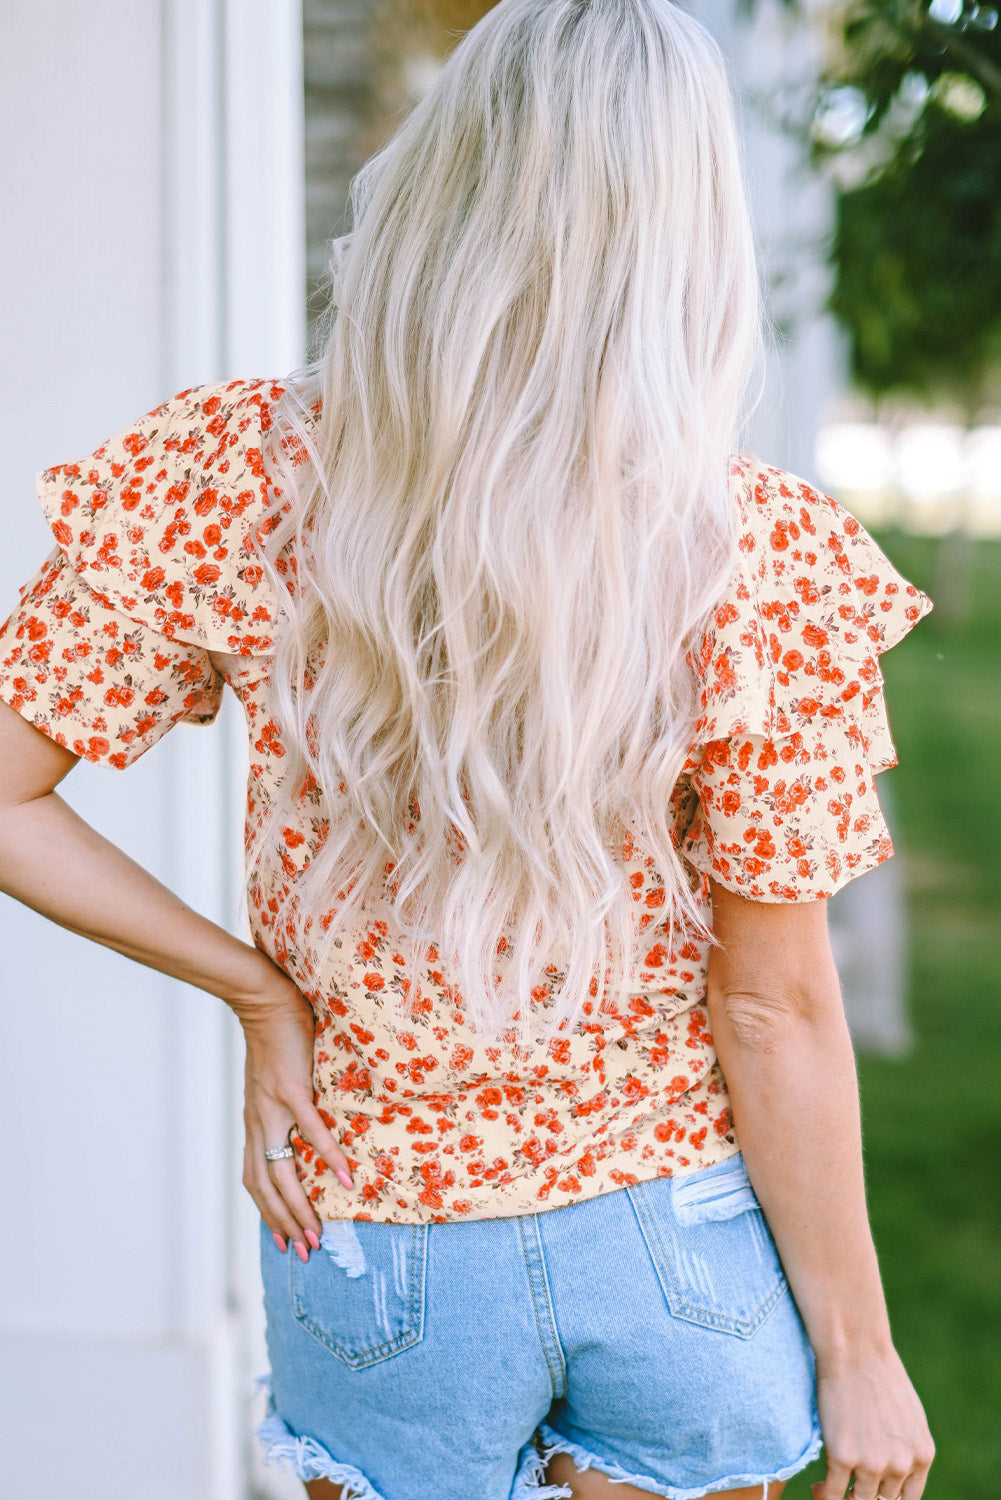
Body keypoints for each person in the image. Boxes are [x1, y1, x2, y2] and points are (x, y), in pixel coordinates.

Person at [0, 3, 936, 1499]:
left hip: (376, 1243)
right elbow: (776, 1010)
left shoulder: (236, 476)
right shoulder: (749, 552)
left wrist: (258, 993)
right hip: (673, 1238)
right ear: (689, 228)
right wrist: (861, 1350)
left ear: (437, 171)